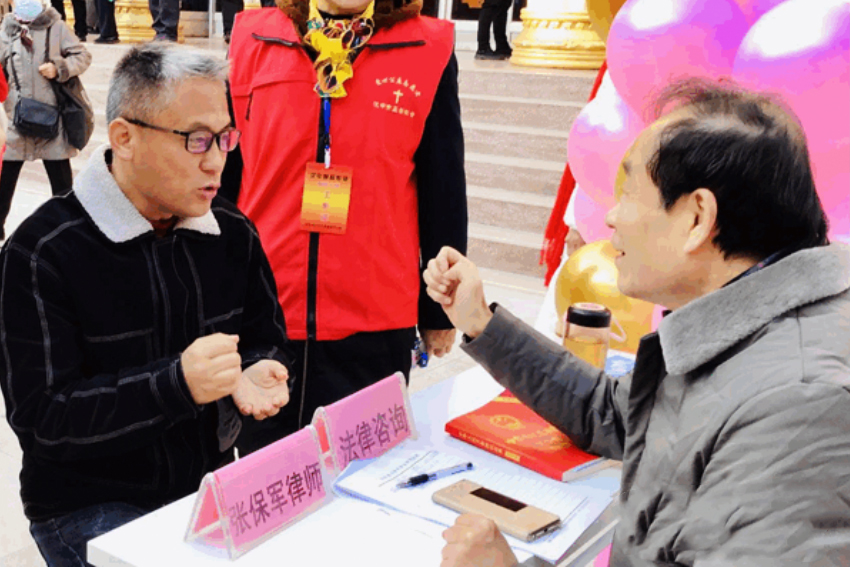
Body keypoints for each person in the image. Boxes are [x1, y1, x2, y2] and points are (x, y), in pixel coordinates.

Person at [425, 80, 850, 566]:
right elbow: (615, 415)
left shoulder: (799, 404)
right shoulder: (746, 326)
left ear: (696, 218)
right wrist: (480, 322)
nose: (610, 217)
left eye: (628, 192)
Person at [0, 44, 295, 567]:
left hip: (203, 488)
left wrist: (257, 367)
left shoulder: (231, 232)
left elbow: (265, 333)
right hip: (85, 505)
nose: (216, 160)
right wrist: (176, 385)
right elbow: (42, 419)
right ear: (124, 138)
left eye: (225, 137)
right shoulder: (42, 250)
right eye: (195, 139)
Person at [224, 0, 467, 454]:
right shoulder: (253, 38)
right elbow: (224, 175)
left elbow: (443, 185)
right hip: (263, 310)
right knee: (264, 476)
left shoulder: (427, 47)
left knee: (363, 478)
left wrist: (438, 310)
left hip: (373, 319)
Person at [0, 0, 91, 241]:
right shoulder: (7, 30)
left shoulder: (56, 26)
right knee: (3, 183)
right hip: (16, 120)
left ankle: (69, 235)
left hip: (52, 119)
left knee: (62, 188)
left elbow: (82, 55)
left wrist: (59, 67)